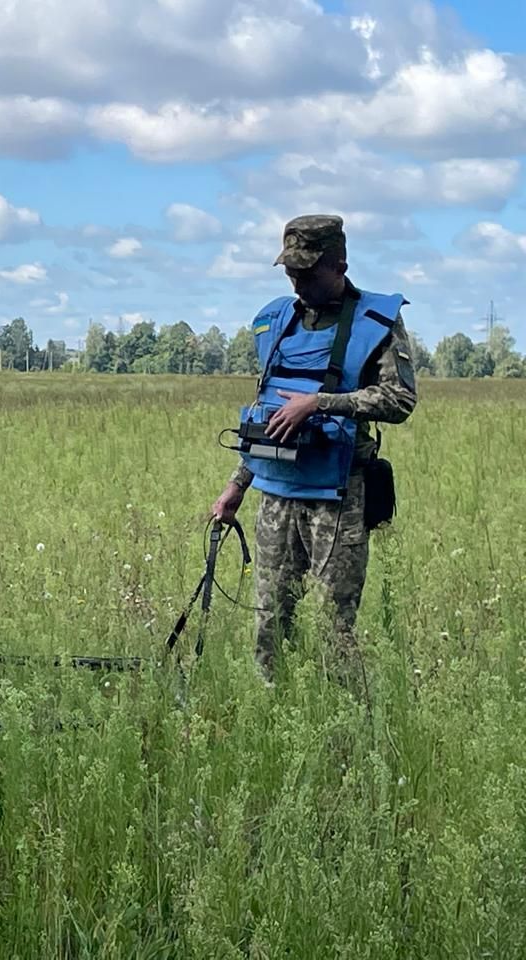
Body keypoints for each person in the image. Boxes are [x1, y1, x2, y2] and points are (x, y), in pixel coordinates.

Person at [212, 214, 417, 689]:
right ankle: (272, 714)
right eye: (290, 271)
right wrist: (236, 486)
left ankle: (346, 733)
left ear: (339, 264)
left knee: (334, 630)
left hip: (338, 498)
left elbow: (400, 400)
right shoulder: (277, 322)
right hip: (277, 494)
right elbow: (269, 415)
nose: (297, 281)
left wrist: (322, 403)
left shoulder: (377, 321)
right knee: (269, 621)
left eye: (307, 272)